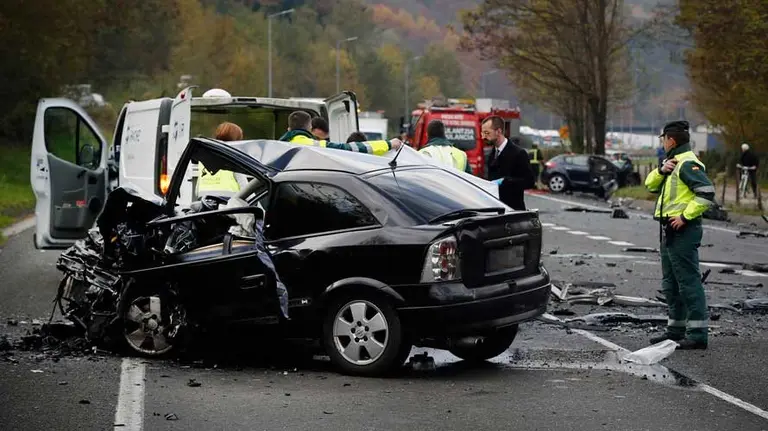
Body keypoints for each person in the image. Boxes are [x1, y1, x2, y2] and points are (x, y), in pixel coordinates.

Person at [645, 120, 714, 350]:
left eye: (663, 139)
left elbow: (706, 193)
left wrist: (685, 217)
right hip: (670, 229)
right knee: (671, 283)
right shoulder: (672, 163)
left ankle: (697, 334)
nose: (662, 143)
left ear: (671, 140)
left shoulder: (687, 164)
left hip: (683, 230)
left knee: (688, 282)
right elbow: (650, 186)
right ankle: (675, 330)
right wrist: (660, 170)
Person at [279, 111, 401, 155]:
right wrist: (388, 144)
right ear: (310, 128)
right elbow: (353, 149)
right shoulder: (317, 146)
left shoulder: (277, 147)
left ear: (289, 129)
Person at [482, 115, 535, 210]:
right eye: (483, 133)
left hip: (512, 210)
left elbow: (529, 181)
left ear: (498, 131)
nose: (483, 136)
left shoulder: (518, 153)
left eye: (487, 133)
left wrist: (505, 181)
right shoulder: (491, 154)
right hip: (494, 209)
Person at [197, 122, 248, 198]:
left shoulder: (204, 155)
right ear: (236, 139)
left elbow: (197, 187)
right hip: (227, 202)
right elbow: (245, 187)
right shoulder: (233, 156)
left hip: (204, 201)